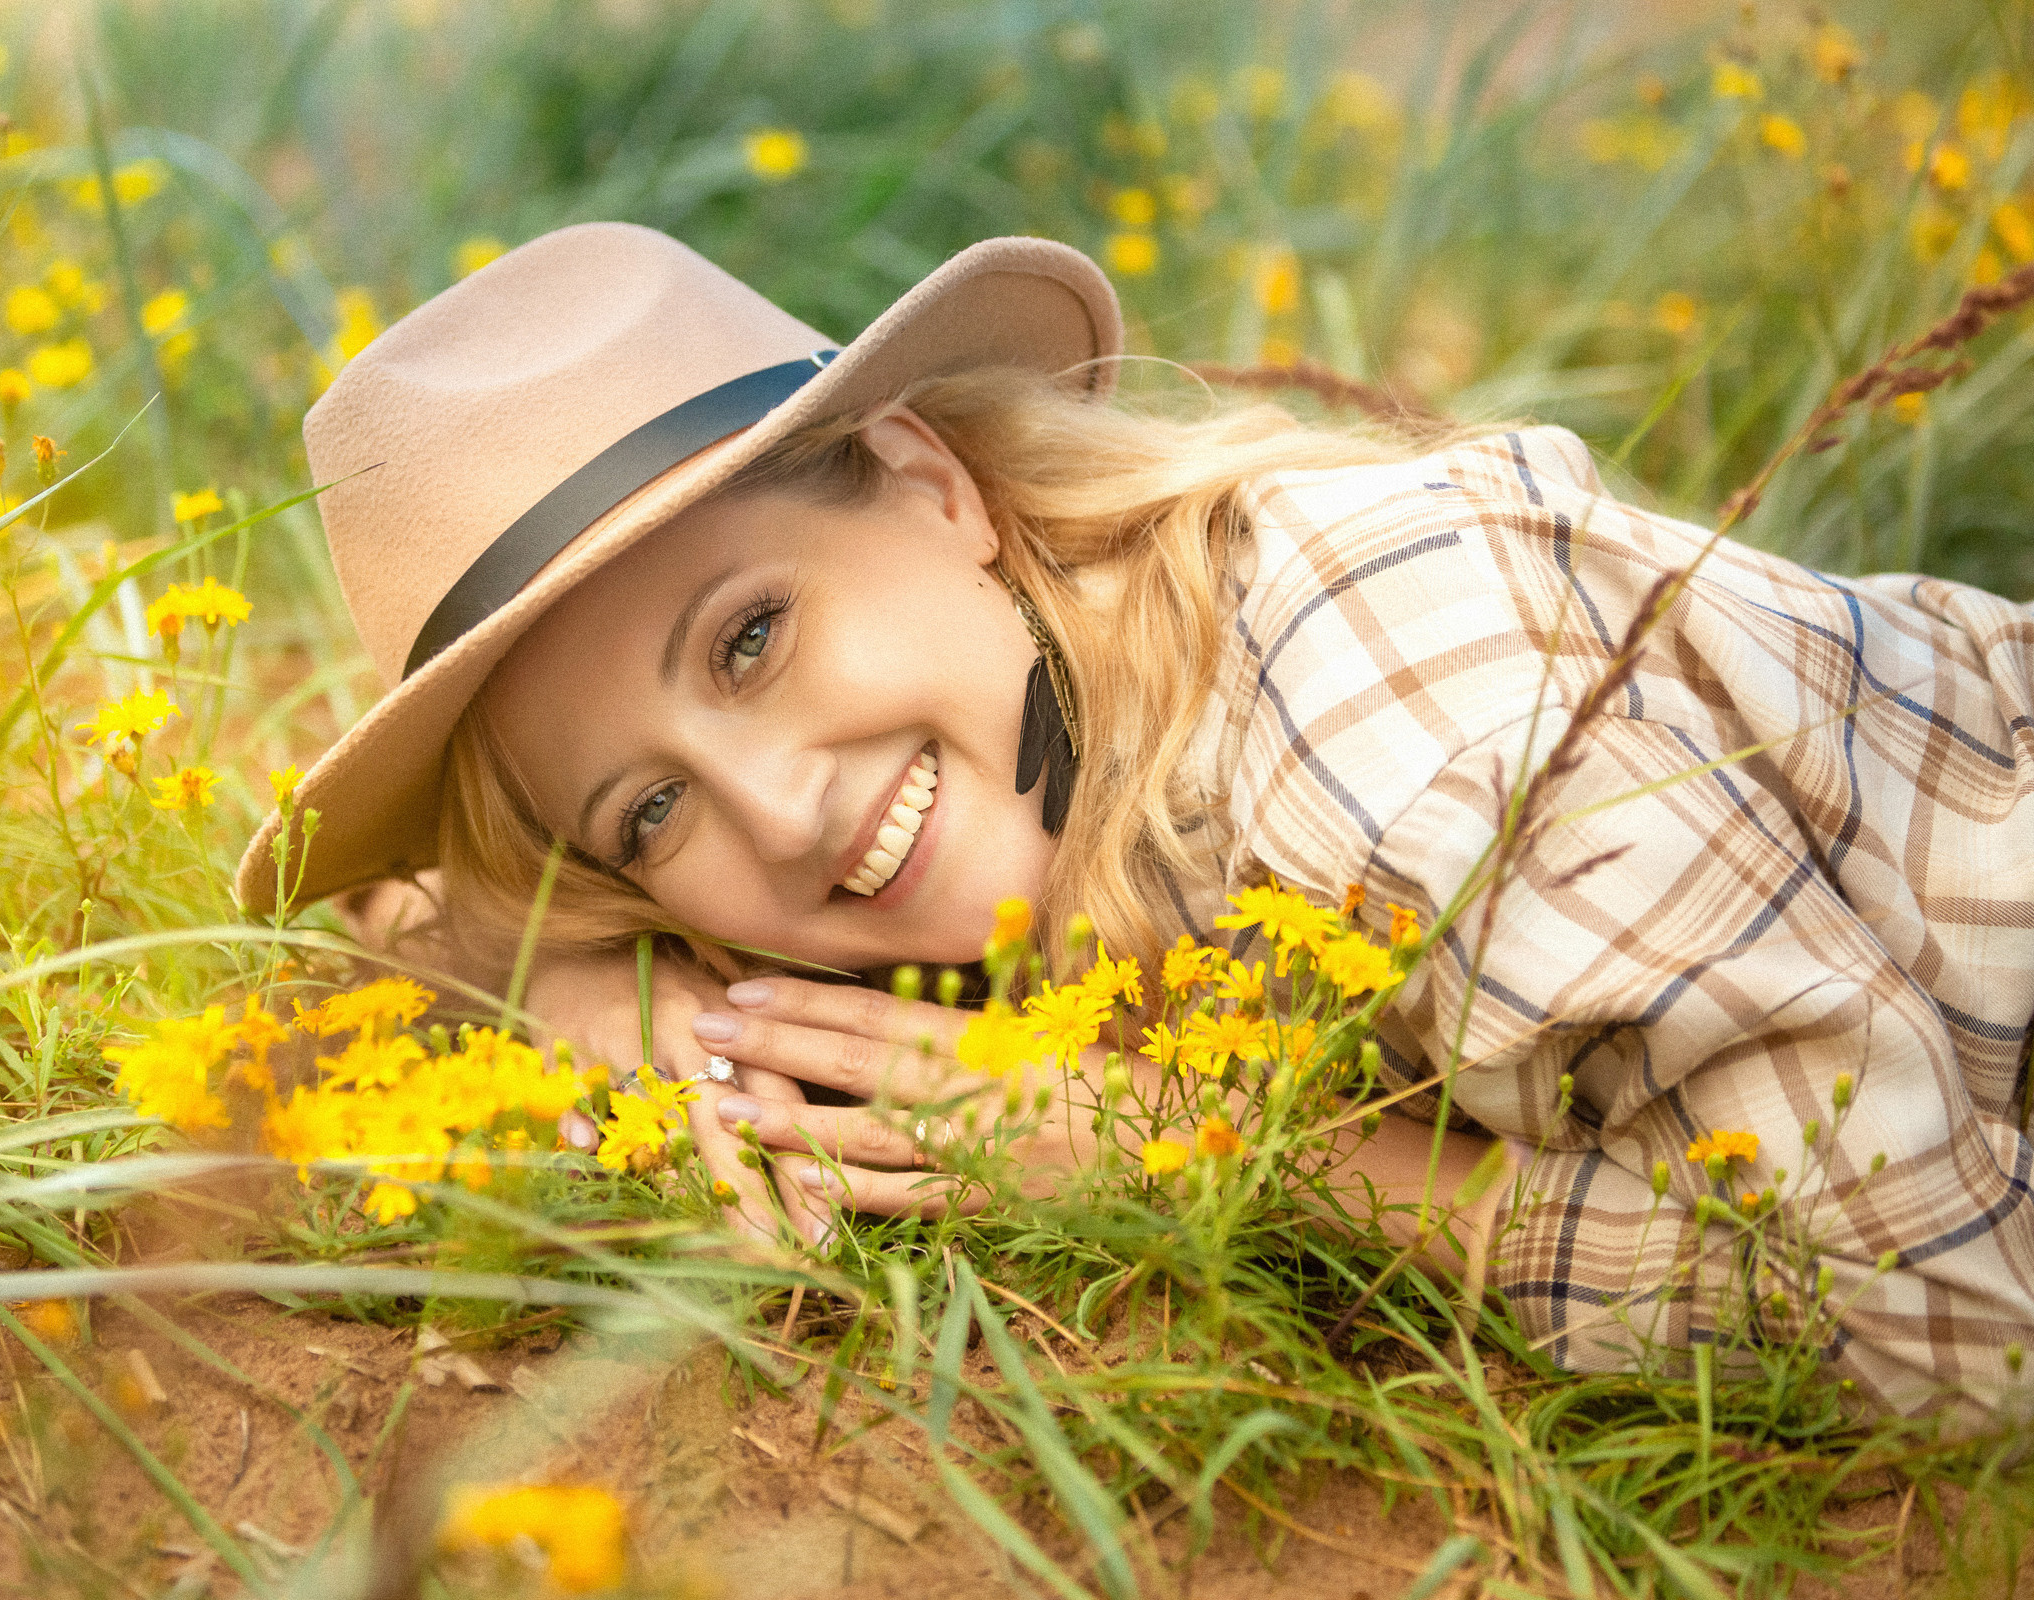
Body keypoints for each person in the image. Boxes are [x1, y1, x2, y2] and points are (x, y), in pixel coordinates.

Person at [237, 222, 2034, 1422]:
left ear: (934, 486)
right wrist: (669, 1036)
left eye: (754, 639)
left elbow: (1947, 1327)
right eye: (647, 813)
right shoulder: (1056, 759)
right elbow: (442, 939)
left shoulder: (1404, 731)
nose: (777, 819)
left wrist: (1233, 1161)